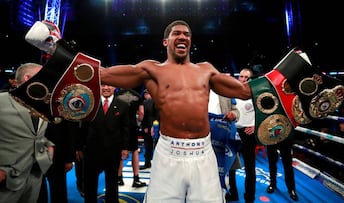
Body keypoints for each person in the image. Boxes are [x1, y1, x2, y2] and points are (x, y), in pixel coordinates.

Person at [99, 20, 251, 202]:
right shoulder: (151, 70)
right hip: (168, 154)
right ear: (165, 41)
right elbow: (104, 75)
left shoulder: (206, 70)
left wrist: (283, 77)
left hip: (203, 154)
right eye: (177, 33)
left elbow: (244, 91)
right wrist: (64, 61)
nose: (182, 37)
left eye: (187, 34)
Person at [0, 63, 54, 203]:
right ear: (28, 78)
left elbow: (35, 134)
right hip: (7, 179)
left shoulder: (43, 104)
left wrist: (49, 148)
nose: (48, 82)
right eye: (44, 77)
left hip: (35, 175)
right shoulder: (1, 101)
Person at [82, 84, 130, 203]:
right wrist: (79, 147)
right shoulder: (90, 104)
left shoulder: (123, 105)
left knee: (112, 182)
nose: (106, 88)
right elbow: (82, 128)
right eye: (103, 85)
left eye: (110, 85)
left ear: (115, 88)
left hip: (113, 150)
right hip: (92, 150)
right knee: (90, 182)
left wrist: (125, 148)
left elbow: (126, 128)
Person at [208, 89, 240, 200]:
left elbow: (236, 112)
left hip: (222, 137)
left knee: (224, 170)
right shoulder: (197, 91)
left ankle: (222, 196)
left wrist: (233, 115)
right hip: (203, 138)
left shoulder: (226, 93)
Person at [37, 120, 77, 203]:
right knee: (38, 193)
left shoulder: (60, 108)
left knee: (59, 192)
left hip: (58, 157)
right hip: (35, 157)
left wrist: (69, 159)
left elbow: (70, 132)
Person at [233, 68, 257, 203]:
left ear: (250, 79)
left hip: (248, 133)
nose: (242, 79)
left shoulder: (256, 94)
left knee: (249, 167)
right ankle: (233, 193)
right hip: (233, 131)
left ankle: (250, 198)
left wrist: (255, 125)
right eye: (241, 76)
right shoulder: (232, 93)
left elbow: (264, 112)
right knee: (231, 166)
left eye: (246, 77)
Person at [116, 88, 147, 187]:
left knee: (119, 151)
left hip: (120, 126)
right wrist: (138, 123)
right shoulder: (137, 95)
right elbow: (141, 113)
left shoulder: (117, 94)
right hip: (132, 126)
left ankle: (119, 178)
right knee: (134, 151)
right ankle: (136, 178)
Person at [266, 134, 298, 201]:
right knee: (272, 162)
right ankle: (272, 183)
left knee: (288, 165)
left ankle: (291, 189)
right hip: (271, 135)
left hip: (285, 136)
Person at [140, 89, 160, 170]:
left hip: (157, 127)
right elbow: (143, 116)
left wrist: (154, 127)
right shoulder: (144, 103)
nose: (147, 95)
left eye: (149, 93)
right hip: (147, 128)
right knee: (147, 146)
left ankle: (158, 165)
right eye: (146, 94)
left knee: (157, 147)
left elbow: (157, 116)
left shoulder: (157, 102)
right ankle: (147, 162)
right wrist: (144, 127)